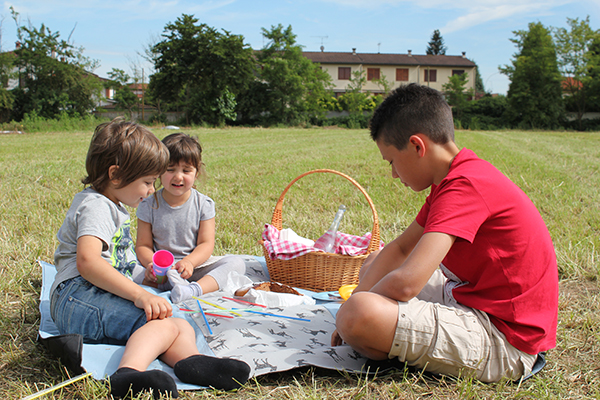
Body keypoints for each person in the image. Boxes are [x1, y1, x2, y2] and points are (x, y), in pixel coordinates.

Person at [331, 84, 558, 383]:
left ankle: (383, 337)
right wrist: (360, 297)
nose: (394, 174)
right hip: (471, 298)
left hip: (505, 341)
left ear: (417, 146)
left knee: (360, 315)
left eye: (392, 162)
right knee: (375, 263)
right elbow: (400, 249)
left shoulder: (466, 186)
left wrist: (353, 311)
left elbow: (407, 283)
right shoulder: (453, 178)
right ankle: (387, 331)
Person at [50, 120, 250, 399]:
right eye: (146, 182)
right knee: (155, 321)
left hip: (89, 296)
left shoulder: (112, 205)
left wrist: (141, 278)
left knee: (175, 320)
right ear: (116, 175)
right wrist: (140, 295)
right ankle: (127, 376)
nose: (148, 190)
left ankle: (191, 362)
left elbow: (116, 262)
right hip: (76, 297)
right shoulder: (97, 206)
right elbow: (88, 262)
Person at [135, 133, 246, 304]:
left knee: (237, 263)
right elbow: (143, 245)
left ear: (196, 172)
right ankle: (170, 287)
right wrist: (152, 266)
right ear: (158, 171)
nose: (178, 177)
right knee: (126, 271)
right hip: (160, 274)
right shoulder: (148, 204)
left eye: (186, 171)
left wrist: (189, 262)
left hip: (193, 269)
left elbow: (206, 244)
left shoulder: (204, 204)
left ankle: (193, 290)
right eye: (170, 169)